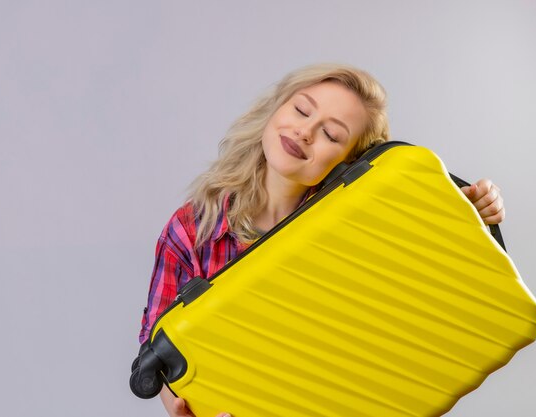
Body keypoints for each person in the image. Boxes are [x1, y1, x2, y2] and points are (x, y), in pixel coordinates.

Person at [137, 63, 505, 417]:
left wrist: (473, 211)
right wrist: (175, 400)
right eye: (301, 110)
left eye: (332, 135)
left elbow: (422, 300)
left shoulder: (367, 229)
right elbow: (156, 348)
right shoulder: (192, 229)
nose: (305, 132)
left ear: (348, 161)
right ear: (274, 108)